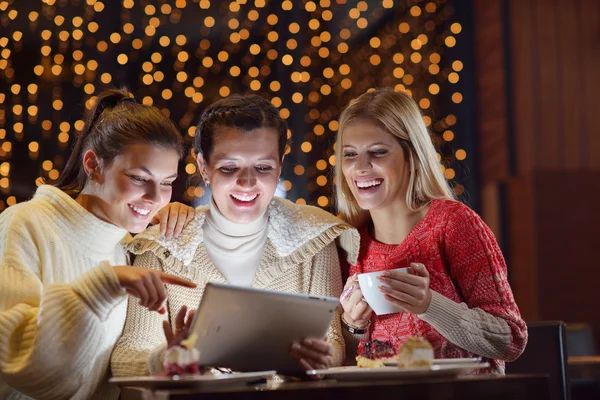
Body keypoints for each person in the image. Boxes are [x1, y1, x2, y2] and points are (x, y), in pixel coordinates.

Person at [111, 94, 359, 377]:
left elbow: (334, 340)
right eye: (229, 168)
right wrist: (166, 361)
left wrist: (325, 358)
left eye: (263, 167)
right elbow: (127, 354)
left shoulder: (316, 237)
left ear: (280, 165)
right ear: (203, 166)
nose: (247, 182)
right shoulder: (161, 247)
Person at [0, 88, 197, 400]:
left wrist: (166, 360)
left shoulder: (125, 246)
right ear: (92, 165)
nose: (155, 198)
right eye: (138, 178)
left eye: (167, 183)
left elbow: (109, 374)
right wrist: (102, 287)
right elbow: (22, 370)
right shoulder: (26, 224)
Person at [335, 88, 527, 374]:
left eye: (377, 152)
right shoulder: (348, 241)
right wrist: (354, 326)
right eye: (350, 154)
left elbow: (510, 340)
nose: (360, 168)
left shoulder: (453, 224)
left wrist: (429, 305)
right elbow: (349, 359)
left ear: (411, 156)